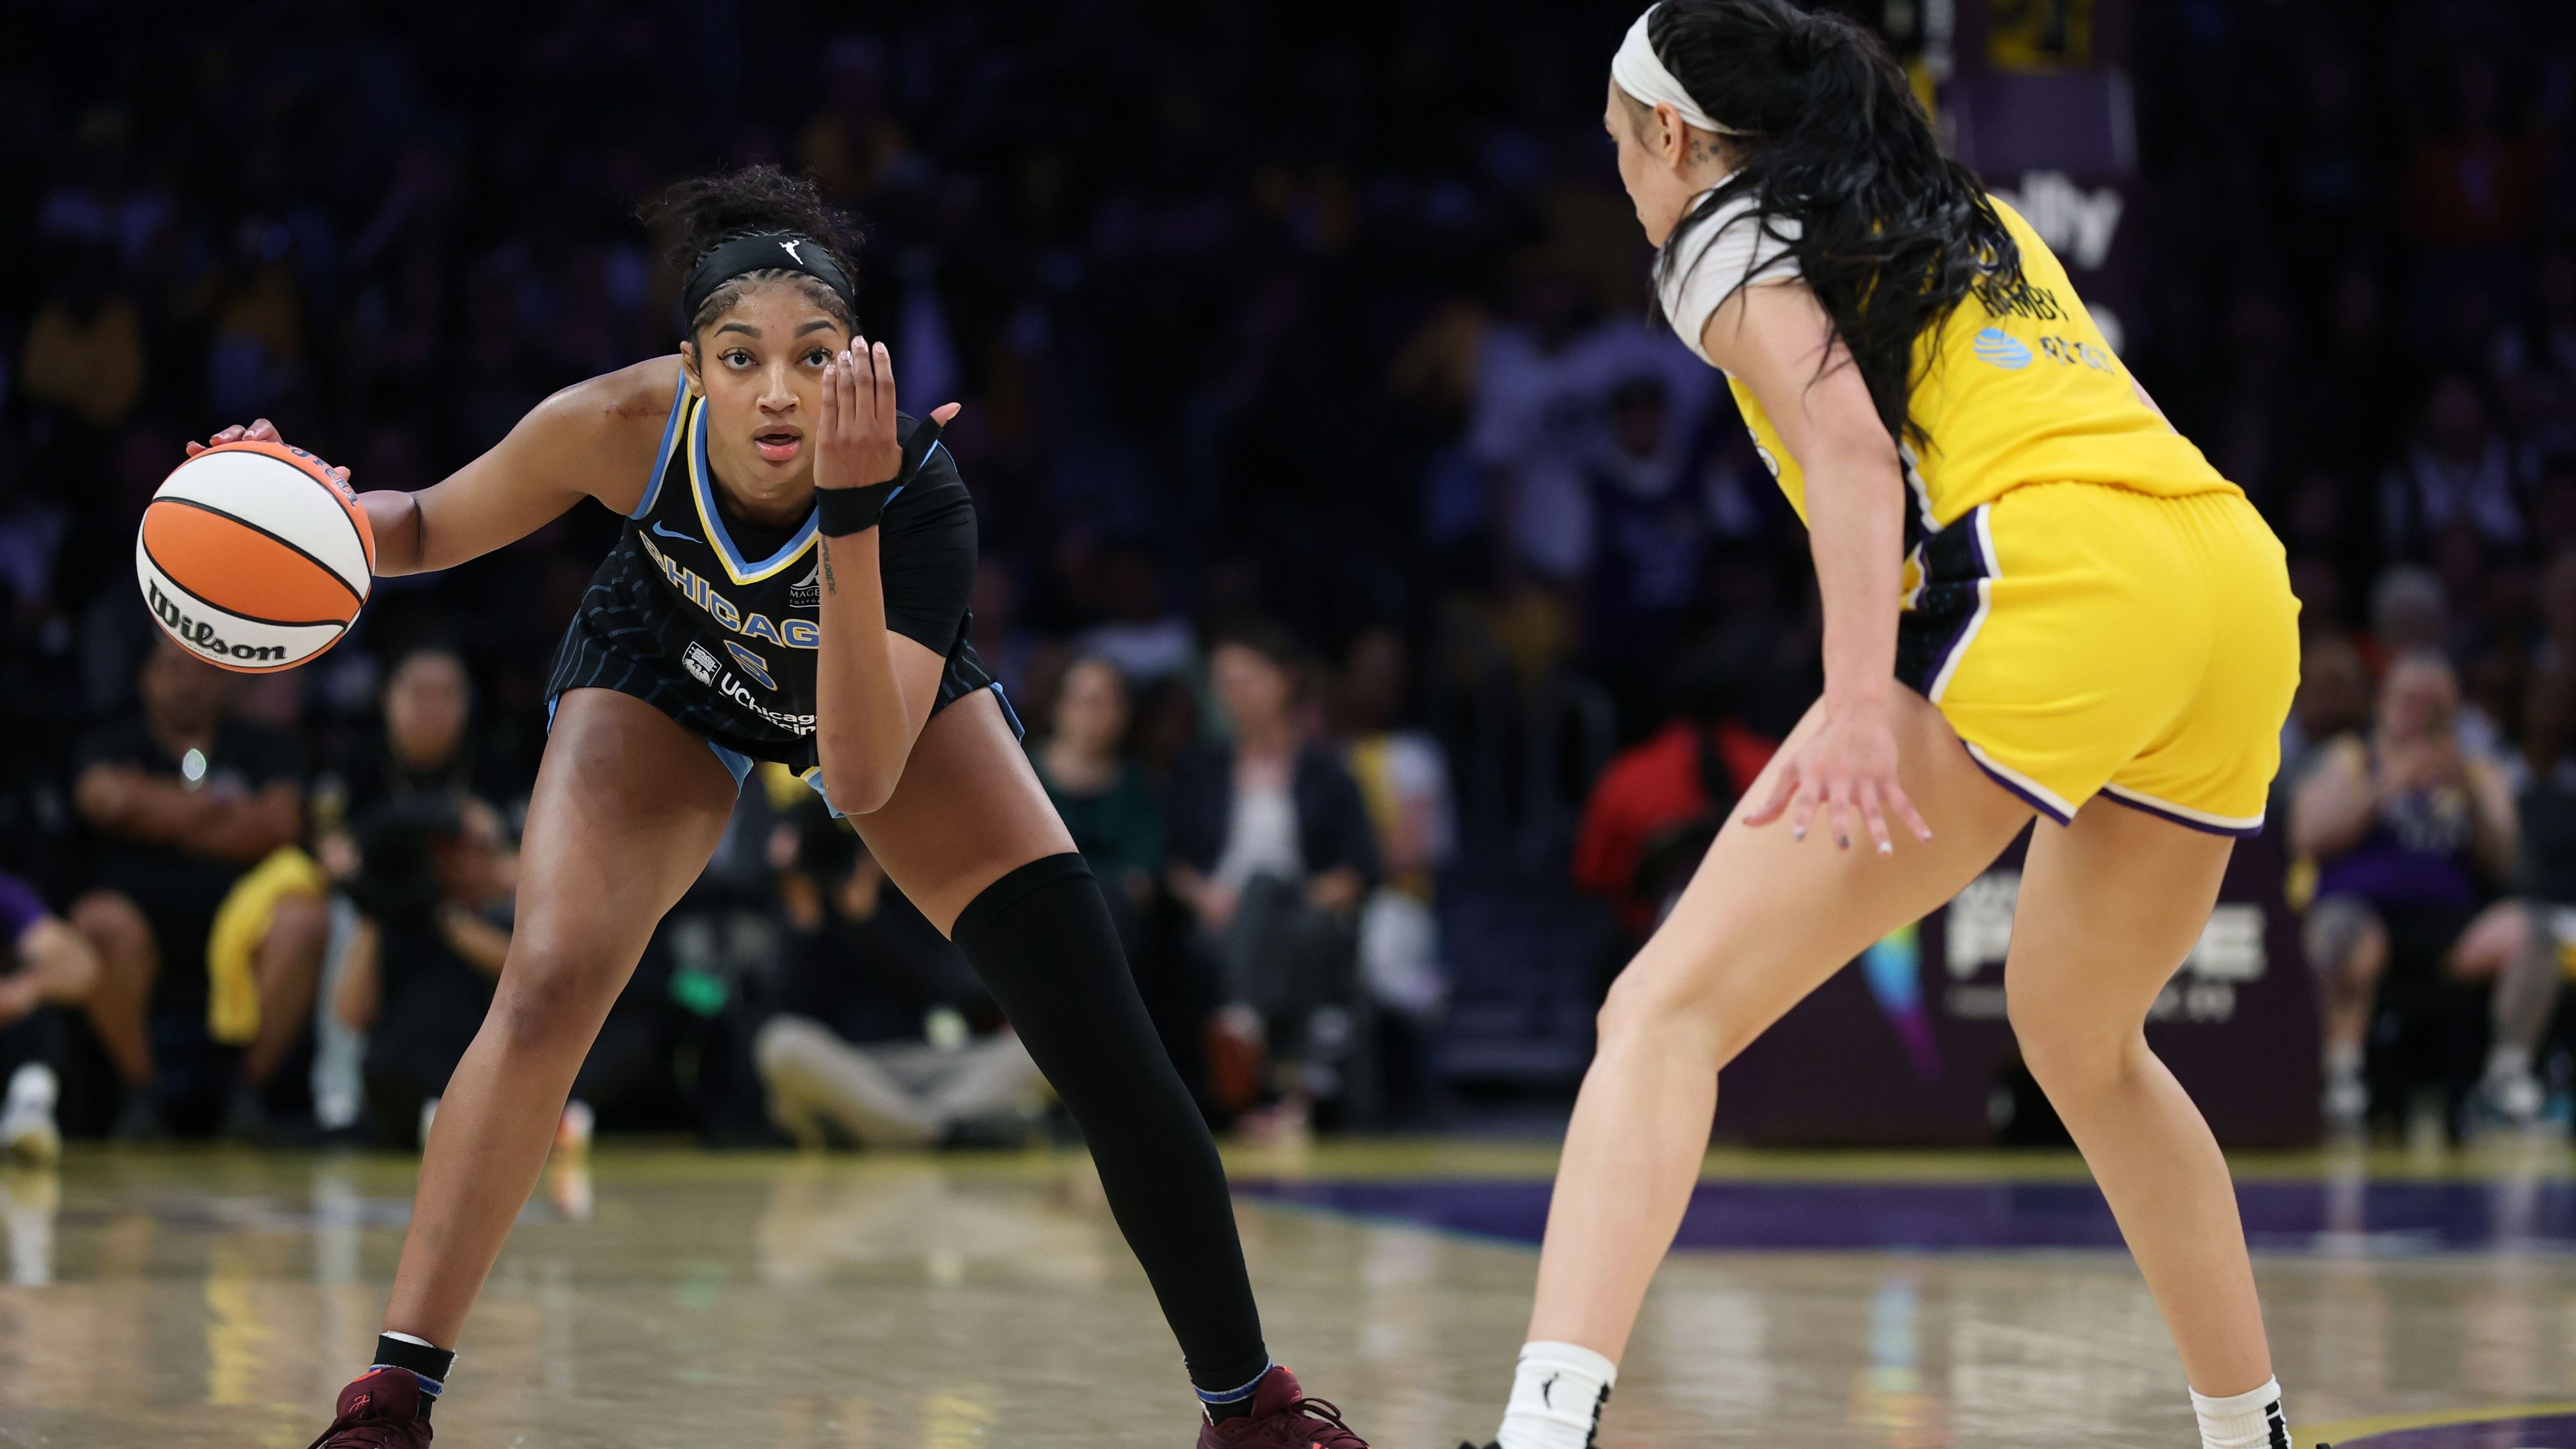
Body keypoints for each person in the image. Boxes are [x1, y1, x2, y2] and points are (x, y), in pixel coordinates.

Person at [224, 166, 1364, 1449]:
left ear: (856, 362)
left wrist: (851, 508)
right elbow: (424, 524)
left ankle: (1246, 1409)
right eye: (740, 355)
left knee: (1098, 1035)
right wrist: (296, 505)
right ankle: (392, 1398)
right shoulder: (613, 423)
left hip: (863, 684)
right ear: (691, 367)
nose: (779, 390)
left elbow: (859, 772)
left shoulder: (918, 490)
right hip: (663, 665)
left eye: (813, 356)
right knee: (546, 985)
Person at [1464, 8, 2303, 1449]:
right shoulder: (1954, 210)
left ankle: (1545, 1433)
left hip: (2067, 581)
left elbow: (1852, 446)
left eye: (1619, 147)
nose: (1622, 180)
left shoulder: (1721, 239)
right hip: (2230, 584)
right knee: (2083, 1040)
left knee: (1660, 1012)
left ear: (1673, 134)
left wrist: (1861, 701)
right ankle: (2255, 1435)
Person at [70, 636, 326, 1139]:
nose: (188, 684)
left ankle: (245, 1095)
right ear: (146, 678)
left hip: (243, 926)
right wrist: (223, 807)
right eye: (172, 669)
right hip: (140, 927)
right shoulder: (108, 744)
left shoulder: (266, 745)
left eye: (203, 670)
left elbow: (279, 823)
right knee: (97, 921)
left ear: (225, 679)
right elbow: (101, 801)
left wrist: (149, 807)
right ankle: (142, 1097)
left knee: (305, 921)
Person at [2293, 654, 2529, 1131]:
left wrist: (2465, 787)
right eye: (2410, 701)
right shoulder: (2353, 758)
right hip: (2365, 915)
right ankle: (2344, 1077)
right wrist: (2385, 788)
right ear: (2384, 705)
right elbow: (2308, 837)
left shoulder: (2475, 771)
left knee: (2531, 935)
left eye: (2435, 704)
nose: (2420, 715)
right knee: (2339, 933)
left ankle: (2508, 1079)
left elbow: (2507, 861)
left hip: (2449, 929)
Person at [1168, 623, 1382, 1132]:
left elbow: (1359, 869)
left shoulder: (1327, 774)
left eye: (1246, 679)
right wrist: (1203, 896)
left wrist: (1300, 896)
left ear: (1284, 681)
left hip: (1300, 904)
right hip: (1220, 913)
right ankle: (1291, 1104)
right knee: (1293, 933)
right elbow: (1173, 862)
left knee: (1282, 901)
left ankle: (1240, 1022)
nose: (1232, 694)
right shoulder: (1201, 769)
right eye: (1223, 682)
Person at [756, 809, 1045, 1148]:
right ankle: (938, 1131)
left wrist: (870, 923)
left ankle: (897, 1129)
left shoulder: (929, 896)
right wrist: (805, 928)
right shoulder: (806, 909)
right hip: (849, 1067)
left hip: (933, 1062)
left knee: (1042, 1048)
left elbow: (952, 991)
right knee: (781, 1044)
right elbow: (789, 1009)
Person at [0, 872, 103, 1163]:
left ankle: (29, 1104)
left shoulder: (7, 896)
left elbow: (80, 966)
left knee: (39, 1007)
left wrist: (22, 991)